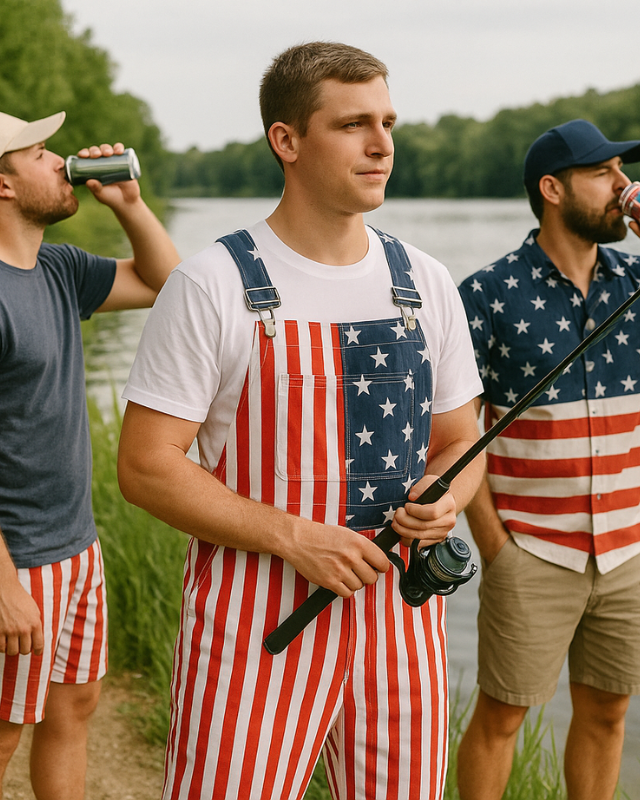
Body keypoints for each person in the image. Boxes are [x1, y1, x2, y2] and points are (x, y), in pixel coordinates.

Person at [117, 42, 484, 800]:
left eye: (387, 122)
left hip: (402, 628)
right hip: (257, 629)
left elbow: (460, 442)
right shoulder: (211, 282)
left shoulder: (426, 281)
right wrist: (295, 537)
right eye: (353, 124)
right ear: (286, 140)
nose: (382, 144)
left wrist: (447, 496)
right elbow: (146, 466)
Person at [455, 118, 640, 800]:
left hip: (630, 548)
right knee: (502, 716)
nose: (625, 187)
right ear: (552, 189)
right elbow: (457, 433)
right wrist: (495, 544)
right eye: (604, 174)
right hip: (531, 549)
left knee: (608, 712)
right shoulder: (489, 294)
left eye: (624, 173)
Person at [0, 110, 180, 800]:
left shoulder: (56, 266)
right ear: (2, 183)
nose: (61, 162)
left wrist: (129, 205)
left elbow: (164, 283)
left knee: (74, 709)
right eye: (41, 153)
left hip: (76, 548)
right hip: (9, 557)